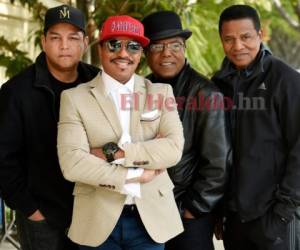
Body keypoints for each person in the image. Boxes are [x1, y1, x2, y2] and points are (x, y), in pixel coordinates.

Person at [57, 15, 184, 250]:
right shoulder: (74, 98)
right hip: (96, 219)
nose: (124, 53)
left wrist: (112, 153)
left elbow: (173, 150)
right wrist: (133, 176)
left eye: (133, 46)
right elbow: (72, 163)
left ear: (141, 53)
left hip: (150, 220)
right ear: (101, 48)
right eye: (114, 44)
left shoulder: (161, 92)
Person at [0, 5, 99, 250]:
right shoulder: (16, 92)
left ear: (85, 42)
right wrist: (30, 209)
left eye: (73, 38)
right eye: (55, 37)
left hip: (92, 212)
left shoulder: (98, 83)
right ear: (44, 41)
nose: (64, 45)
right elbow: (3, 159)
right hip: (42, 218)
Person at [212, 4, 300, 250]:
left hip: (274, 217)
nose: (237, 46)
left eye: (246, 37)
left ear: (260, 35)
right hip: (234, 218)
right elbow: (218, 152)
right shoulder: (218, 83)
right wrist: (219, 208)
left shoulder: (286, 80)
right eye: (228, 39)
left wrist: (282, 214)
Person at [142, 11, 228, 250]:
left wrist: (192, 210)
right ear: (146, 52)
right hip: (149, 211)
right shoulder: (143, 88)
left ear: (185, 48)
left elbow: (218, 163)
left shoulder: (206, 94)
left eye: (175, 45)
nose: (167, 53)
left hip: (188, 216)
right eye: (158, 46)